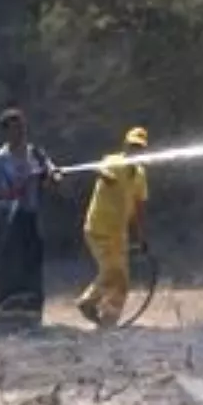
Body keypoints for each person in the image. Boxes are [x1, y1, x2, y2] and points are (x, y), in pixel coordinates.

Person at [0, 107, 61, 333]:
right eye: (15, 129)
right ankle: (0, 314)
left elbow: (51, 176)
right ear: (6, 132)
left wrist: (52, 177)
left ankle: (32, 313)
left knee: (32, 264)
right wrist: (11, 193)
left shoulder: (37, 154)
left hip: (29, 217)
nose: (21, 133)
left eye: (22, 128)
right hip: (8, 218)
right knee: (4, 265)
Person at [76, 127, 150, 328]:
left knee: (122, 280)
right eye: (132, 146)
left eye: (139, 147)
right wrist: (106, 176)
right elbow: (102, 170)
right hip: (99, 228)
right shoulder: (113, 162)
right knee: (112, 271)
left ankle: (109, 320)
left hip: (119, 234)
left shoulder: (140, 176)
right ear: (125, 145)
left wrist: (140, 237)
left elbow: (139, 207)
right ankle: (87, 302)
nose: (135, 151)